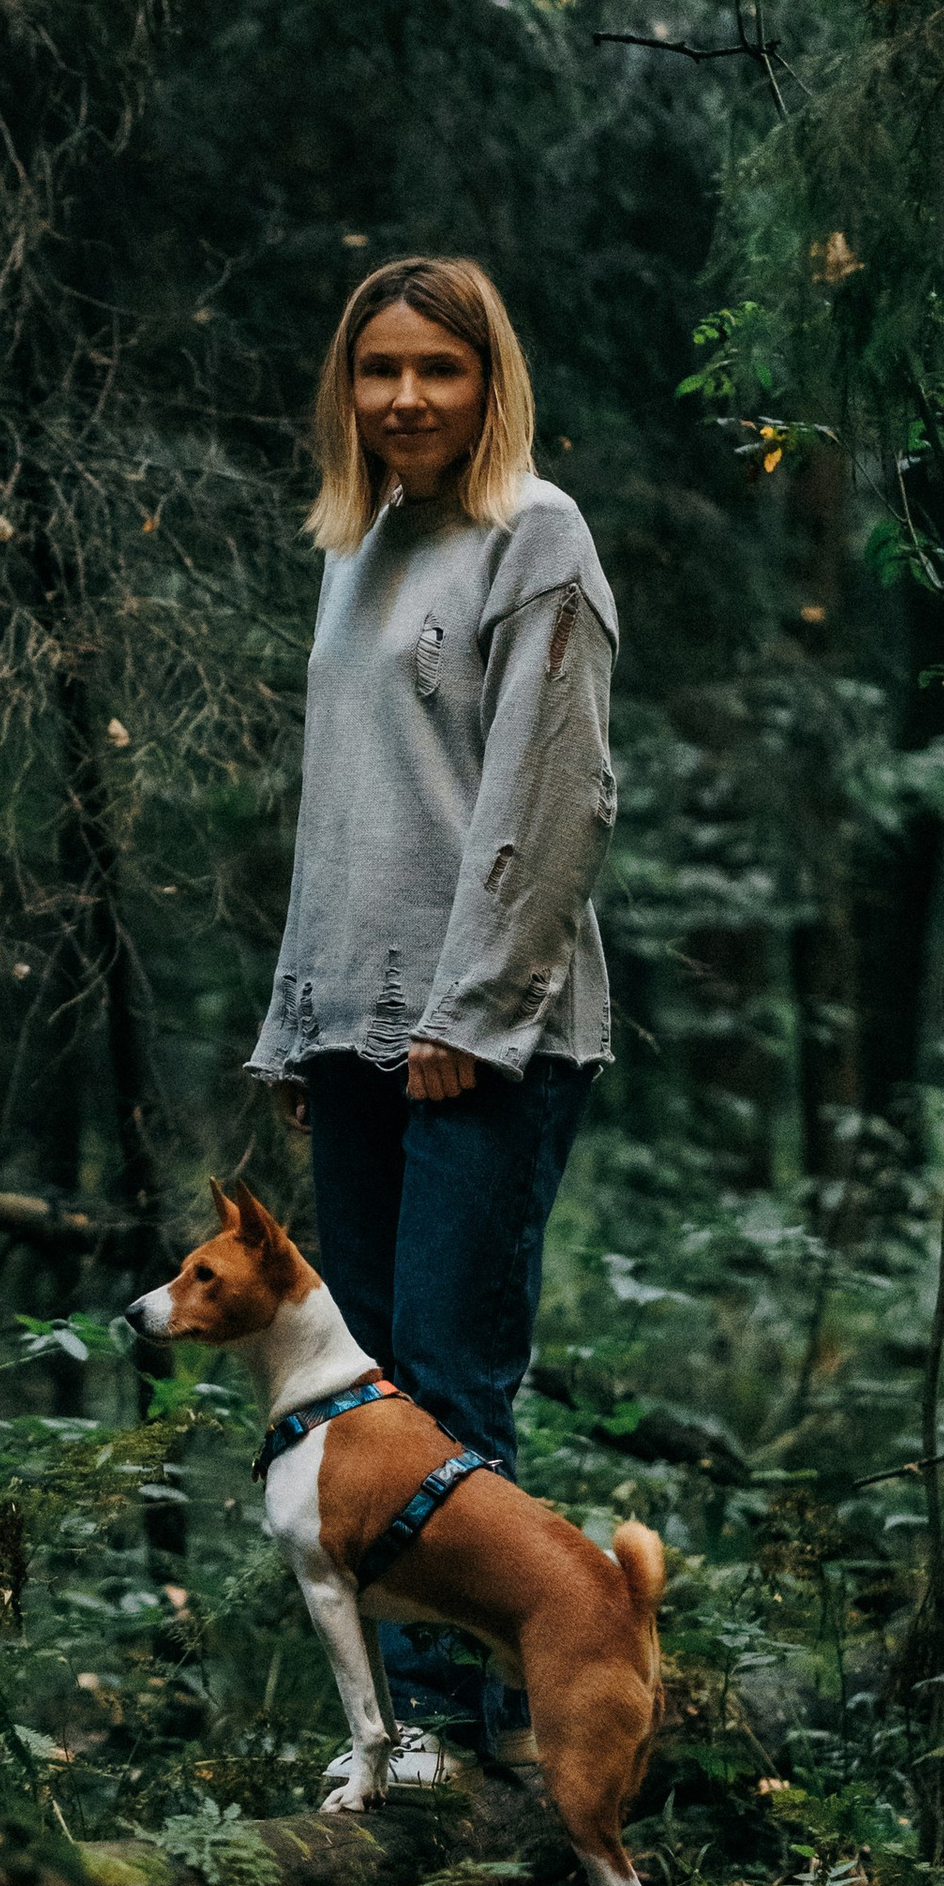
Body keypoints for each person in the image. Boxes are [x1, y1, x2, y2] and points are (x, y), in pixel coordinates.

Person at [248, 253, 618, 1784]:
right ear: (348, 387)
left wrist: (470, 1010)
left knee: (450, 1390)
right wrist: (300, 1020)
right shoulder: (362, 542)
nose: (406, 397)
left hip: (490, 1029)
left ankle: (467, 1741)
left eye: (439, 370)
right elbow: (343, 812)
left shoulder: (537, 537)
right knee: (364, 1397)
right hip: (353, 1029)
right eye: (379, 369)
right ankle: (389, 1733)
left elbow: (556, 796)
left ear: (490, 382)